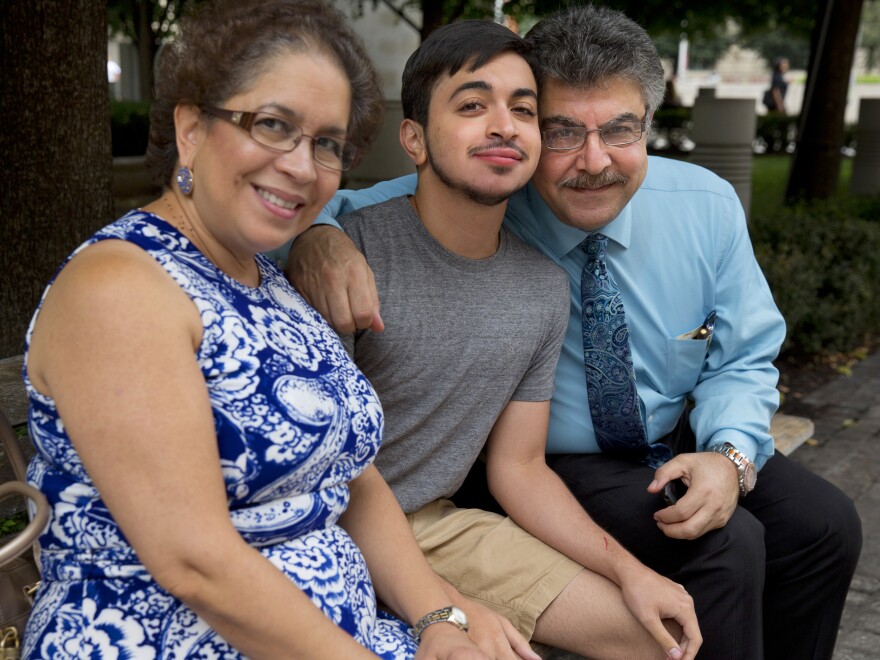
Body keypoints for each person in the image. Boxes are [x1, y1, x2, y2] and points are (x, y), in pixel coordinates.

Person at [283, 5, 863, 659]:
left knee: (826, 526)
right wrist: (316, 233)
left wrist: (729, 457)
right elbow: (395, 196)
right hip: (553, 458)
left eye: (621, 130)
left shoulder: (701, 209)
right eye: (563, 132)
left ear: (648, 125)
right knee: (724, 550)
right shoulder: (487, 194)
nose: (594, 162)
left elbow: (743, 357)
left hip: (666, 438)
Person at [20, 1, 496, 658]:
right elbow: (197, 564)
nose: (304, 167)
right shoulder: (120, 289)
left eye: (327, 143)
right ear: (190, 128)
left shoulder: (264, 278)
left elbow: (350, 475)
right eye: (273, 125)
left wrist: (439, 618)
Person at [328, 19, 698, 660]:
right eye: (473, 106)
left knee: (654, 636)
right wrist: (442, 604)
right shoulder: (350, 257)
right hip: (329, 514)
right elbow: (338, 464)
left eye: (523, 111)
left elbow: (519, 468)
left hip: (439, 525)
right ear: (414, 139)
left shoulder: (541, 289)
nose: (503, 125)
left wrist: (630, 572)